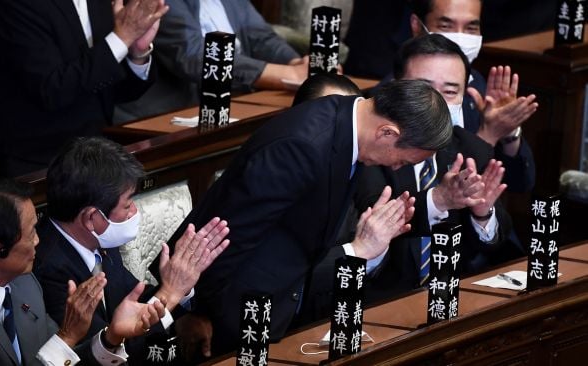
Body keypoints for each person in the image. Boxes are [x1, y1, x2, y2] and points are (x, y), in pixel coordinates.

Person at [150, 79, 454, 356]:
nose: (398, 168)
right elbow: (230, 237)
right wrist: (201, 313)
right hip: (234, 314)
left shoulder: (348, 122)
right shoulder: (302, 146)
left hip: (278, 299)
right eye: (402, 160)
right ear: (387, 133)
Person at [301, 35, 519, 323]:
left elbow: (495, 241)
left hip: (450, 302)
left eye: (450, 91)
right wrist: (439, 200)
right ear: (395, 89)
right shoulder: (370, 147)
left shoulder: (469, 147)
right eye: (423, 90)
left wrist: (483, 214)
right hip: (374, 305)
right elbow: (373, 213)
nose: (436, 104)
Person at [33, 137, 230, 363]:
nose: (134, 211)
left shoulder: (98, 239)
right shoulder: (49, 270)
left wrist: (179, 287)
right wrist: (168, 295)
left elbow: (131, 301)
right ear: (91, 218)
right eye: (127, 204)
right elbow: (109, 347)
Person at [0, 178, 163, 365]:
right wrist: (68, 336)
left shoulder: (23, 282)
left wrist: (111, 336)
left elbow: (63, 361)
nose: (38, 241)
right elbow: (59, 350)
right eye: (32, 232)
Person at [0, 0, 169, 179]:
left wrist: (136, 53)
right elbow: (52, 90)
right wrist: (121, 38)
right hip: (32, 166)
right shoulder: (16, 6)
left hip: (93, 156)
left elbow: (108, 87)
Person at [409, 0, 538, 192]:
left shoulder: (477, 84)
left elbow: (520, 183)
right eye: (446, 26)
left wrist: (508, 133)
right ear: (417, 26)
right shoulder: (395, 95)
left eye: (470, 28)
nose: (459, 38)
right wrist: (488, 135)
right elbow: (436, 194)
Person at [115, 0, 309, 120]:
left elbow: (260, 36)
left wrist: (296, 64)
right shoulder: (162, 2)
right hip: (166, 114)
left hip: (232, 101)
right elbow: (193, 56)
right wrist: (289, 74)